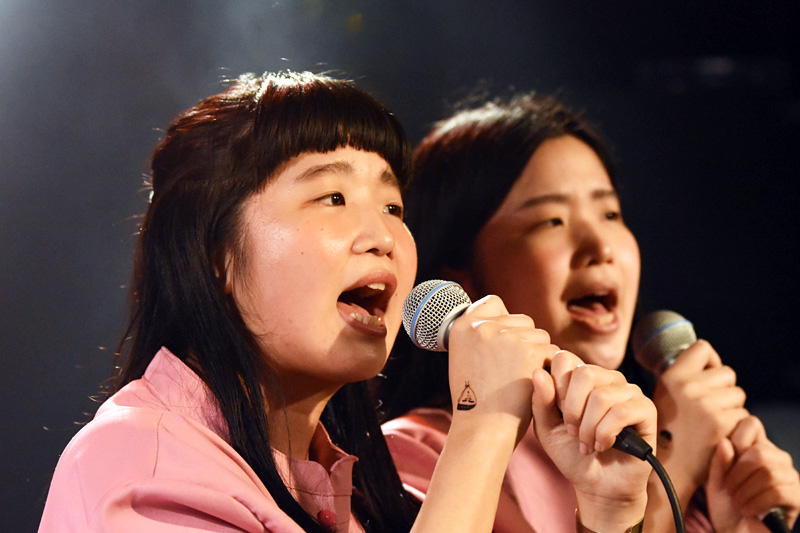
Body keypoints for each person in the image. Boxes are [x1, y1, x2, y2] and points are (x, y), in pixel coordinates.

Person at [38, 71, 658, 533]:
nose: (383, 236)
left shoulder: (356, 491)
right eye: (333, 197)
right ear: (217, 254)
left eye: (393, 206)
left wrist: (610, 514)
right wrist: (485, 420)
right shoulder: (144, 468)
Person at [378, 91, 800, 532]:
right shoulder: (417, 454)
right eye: (551, 221)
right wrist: (671, 469)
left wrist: (739, 527)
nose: (600, 247)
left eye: (610, 214)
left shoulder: (661, 453)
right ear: (460, 278)